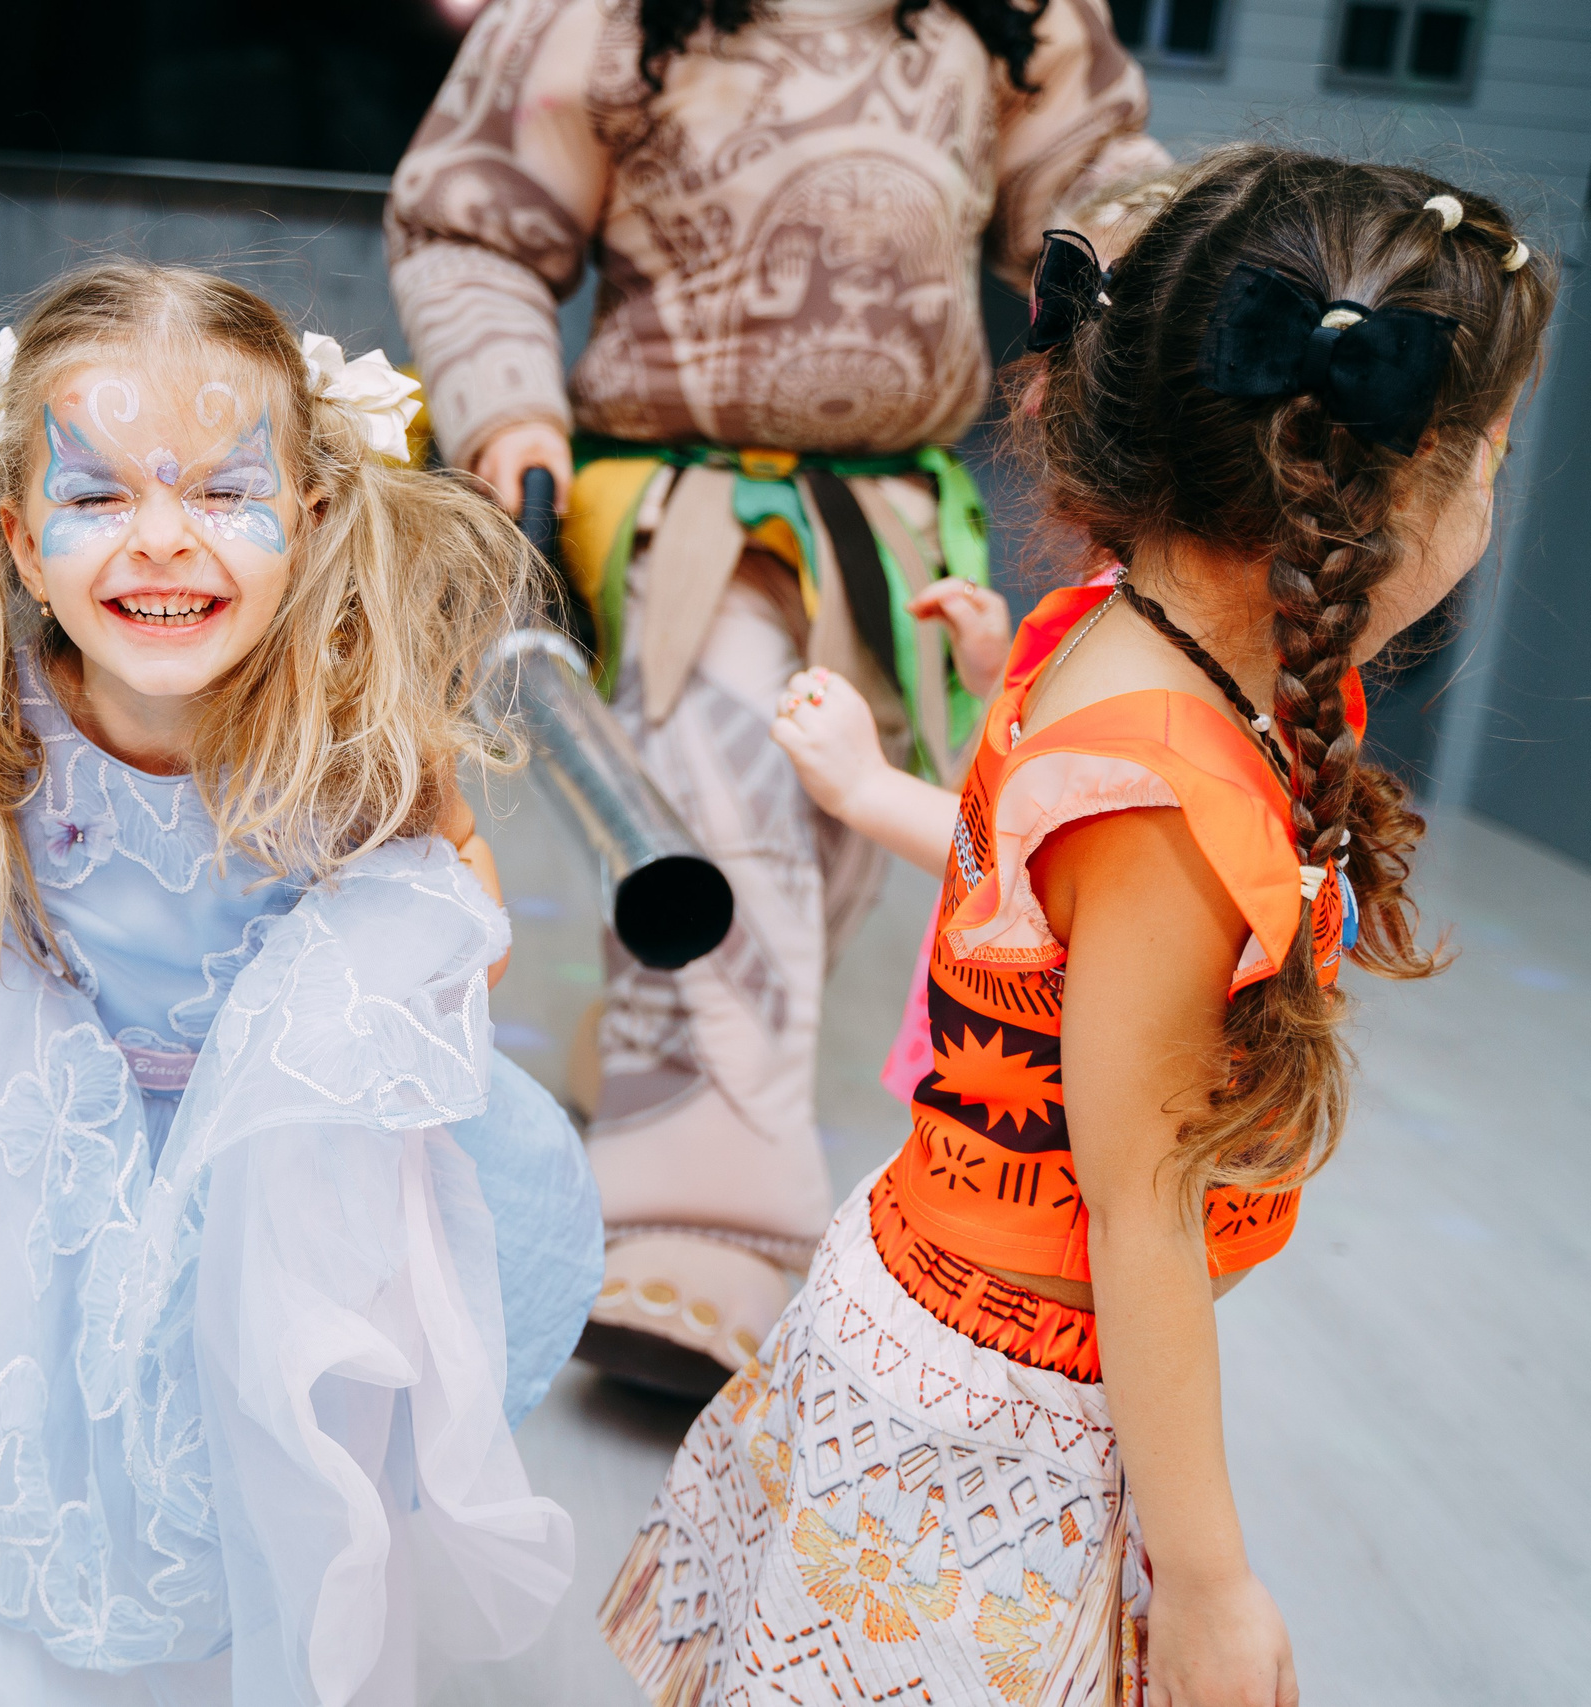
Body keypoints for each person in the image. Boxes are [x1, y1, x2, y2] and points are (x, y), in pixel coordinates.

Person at [594, 144, 1549, 1704]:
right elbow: (1142, 1221)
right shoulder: (1170, 796)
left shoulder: (1124, 630)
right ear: (1376, 483)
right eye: (1494, 459)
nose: (1493, 506)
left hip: (933, 1331)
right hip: (997, 1413)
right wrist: (1218, 1587)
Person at [0, 263, 604, 1706]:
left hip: (275, 1181)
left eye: (227, 493)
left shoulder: (351, 730)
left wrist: (373, 979)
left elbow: (459, 902)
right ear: (21, 541)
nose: (163, 544)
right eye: (98, 499)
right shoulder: (5, 713)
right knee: (36, 1450)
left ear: (318, 514)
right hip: (55, 1143)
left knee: (268, 1460)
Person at [388, 0, 1172, 1396]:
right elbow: (477, 223)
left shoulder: (1014, 22)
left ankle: (633, 1052)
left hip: (896, 522)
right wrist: (509, 408)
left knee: (820, 854)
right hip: (685, 509)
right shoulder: (611, 17)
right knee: (727, 807)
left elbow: (1111, 212)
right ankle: (701, 1232)